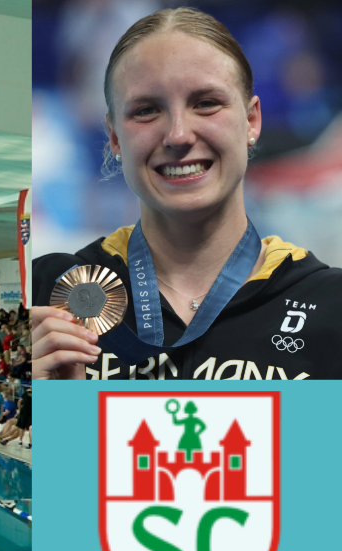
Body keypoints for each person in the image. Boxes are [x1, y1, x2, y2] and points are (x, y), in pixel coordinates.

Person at [32, 7, 342, 380]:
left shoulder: (330, 304)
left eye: (206, 103)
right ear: (115, 139)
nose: (178, 134)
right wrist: (35, 406)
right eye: (147, 110)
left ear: (251, 122)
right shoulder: (49, 290)